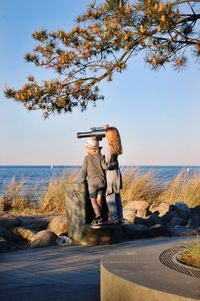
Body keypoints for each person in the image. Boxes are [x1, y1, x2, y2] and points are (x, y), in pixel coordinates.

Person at [79, 138, 106, 225]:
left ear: (91, 149)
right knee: (99, 199)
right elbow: (105, 168)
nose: (85, 149)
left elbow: (83, 172)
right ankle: (98, 217)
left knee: (93, 201)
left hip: (92, 184)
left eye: (86, 147)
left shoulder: (87, 158)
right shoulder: (101, 157)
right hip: (102, 182)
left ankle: (98, 216)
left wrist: (79, 181)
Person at [103, 125, 124, 224]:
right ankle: (120, 218)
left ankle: (114, 219)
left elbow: (106, 164)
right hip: (117, 173)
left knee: (110, 196)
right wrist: (106, 129)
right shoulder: (116, 147)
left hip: (110, 174)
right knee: (117, 196)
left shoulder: (108, 148)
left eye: (106, 134)